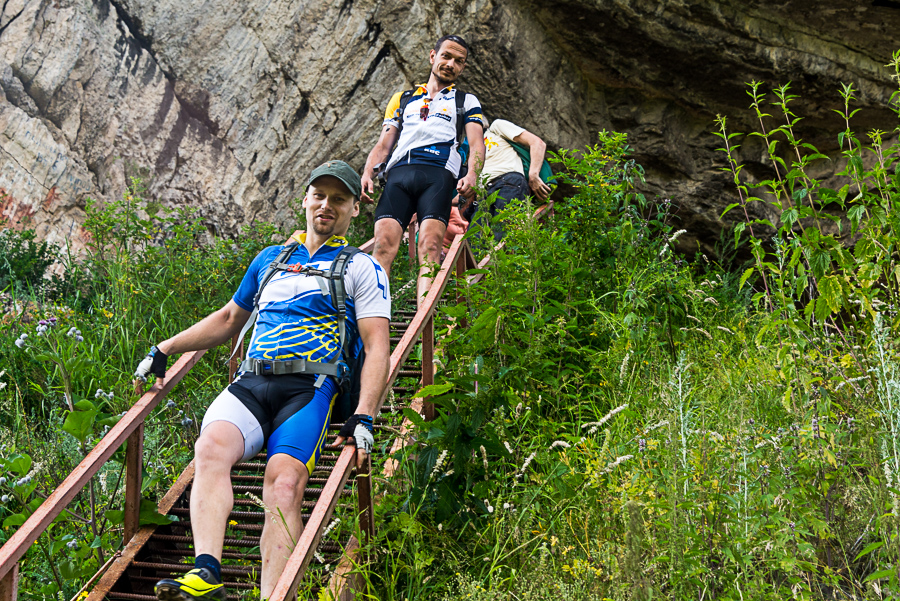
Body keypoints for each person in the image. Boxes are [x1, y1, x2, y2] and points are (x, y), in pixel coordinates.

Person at [134, 161, 391, 601]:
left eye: (339, 199)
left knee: (285, 483)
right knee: (210, 449)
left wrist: (364, 415)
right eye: (319, 195)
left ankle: (274, 595)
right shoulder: (271, 259)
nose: (326, 205)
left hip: (310, 388)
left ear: (354, 209)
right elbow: (231, 318)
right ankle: (206, 574)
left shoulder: (361, 268)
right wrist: (164, 348)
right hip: (252, 381)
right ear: (306, 200)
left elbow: (377, 344)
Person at [360, 34, 486, 304]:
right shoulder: (403, 98)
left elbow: (476, 144)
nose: (451, 64)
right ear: (433, 56)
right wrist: (367, 173)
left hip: (438, 175)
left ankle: (423, 319)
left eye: (458, 61)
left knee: (429, 247)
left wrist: (472, 174)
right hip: (398, 175)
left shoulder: (466, 101)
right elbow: (384, 144)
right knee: (382, 245)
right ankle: (372, 317)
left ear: (463, 67)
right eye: (446, 56)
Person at [461, 118, 552, 241]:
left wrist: (533, 175)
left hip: (508, 183)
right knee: (474, 244)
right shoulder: (470, 151)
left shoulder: (495, 128)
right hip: (484, 194)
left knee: (502, 235)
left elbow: (537, 143)